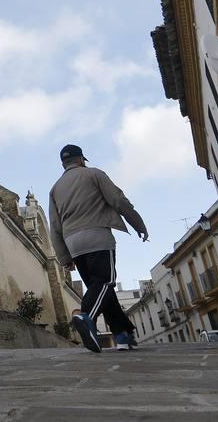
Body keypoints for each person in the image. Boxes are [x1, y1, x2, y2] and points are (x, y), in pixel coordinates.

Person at [48, 144, 149, 353]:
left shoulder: (55, 189)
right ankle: (85, 316)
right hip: (97, 237)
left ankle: (122, 335)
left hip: (72, 243)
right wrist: (138, 224)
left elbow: (54, 226)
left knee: (102, 290)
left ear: (63, 164)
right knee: (105, 282)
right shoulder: (94, 174)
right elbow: (117, 200)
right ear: (82, 159)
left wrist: (64, 256)